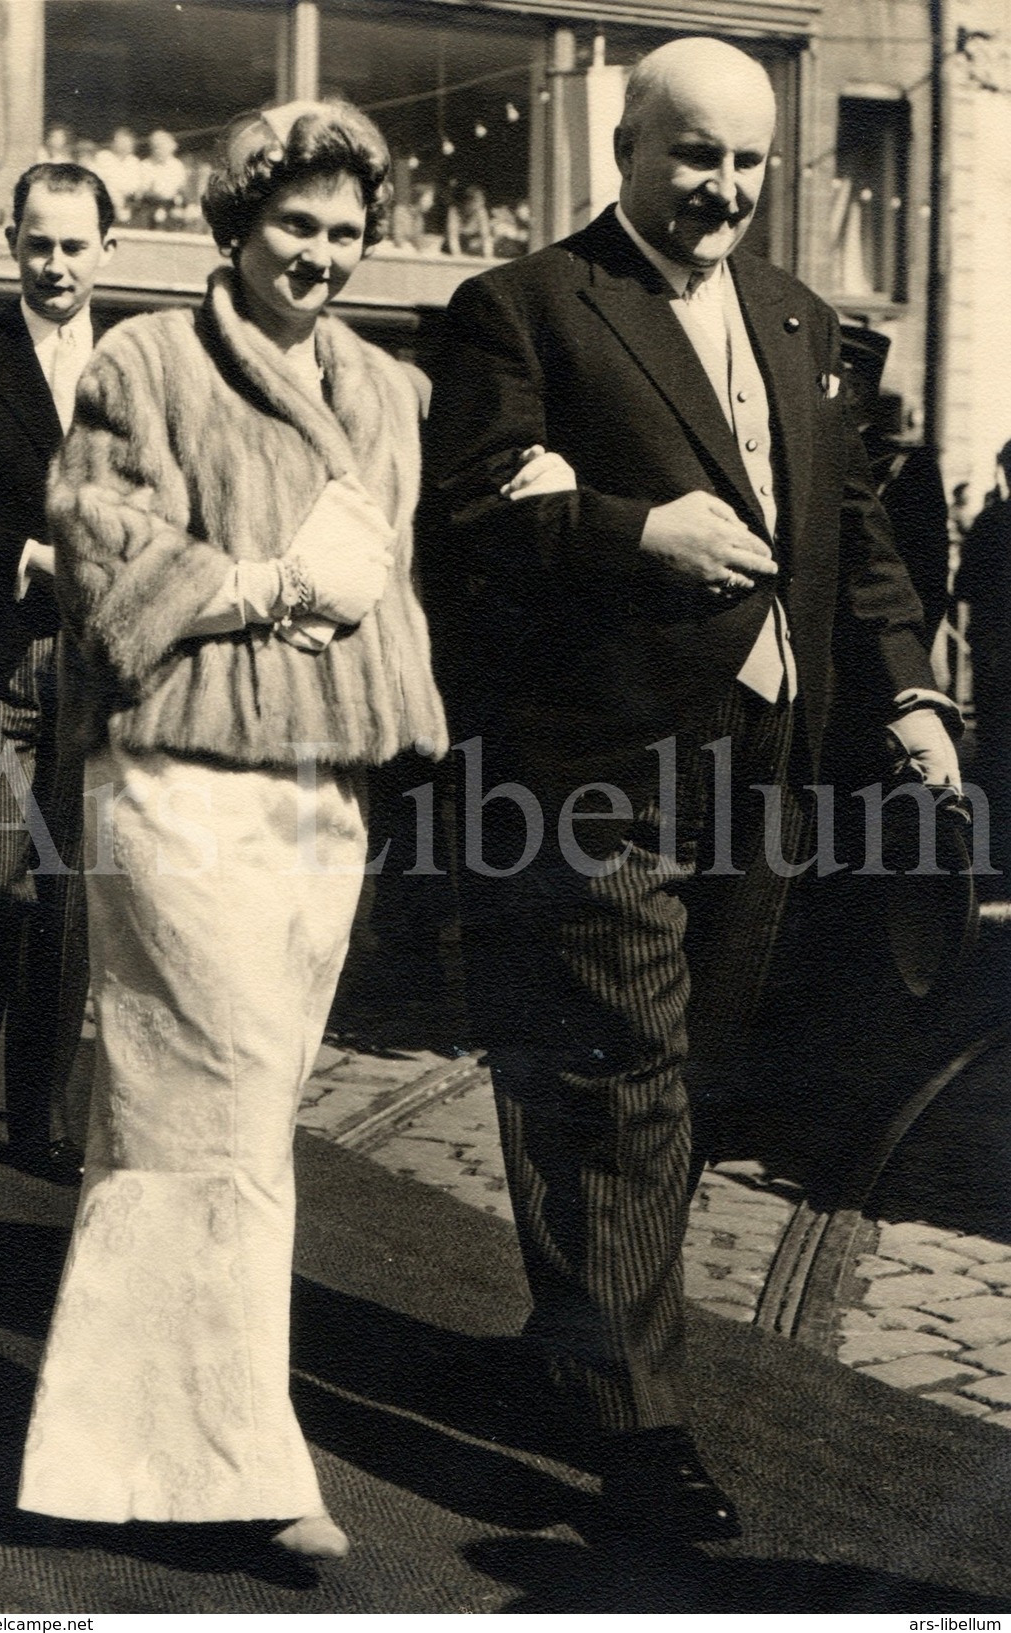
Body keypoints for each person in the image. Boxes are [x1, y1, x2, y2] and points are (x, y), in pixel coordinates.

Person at [420, 36, 961, 1548]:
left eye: (747, 160)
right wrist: (630, 532)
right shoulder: (521, 307)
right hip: (594, 780)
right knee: (621, 1082)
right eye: (694, 155)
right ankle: (635, 1431)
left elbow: (846, 531)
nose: (722, 187)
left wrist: (913, 693)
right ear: (627, 150)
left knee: (671, 1085)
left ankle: (577, 1347)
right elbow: (464, 517)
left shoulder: (795, 316)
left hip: (769, 780)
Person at [16, 98, 447, 1563]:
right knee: (212, 1114)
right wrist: (267, 587)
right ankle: (244, 1468)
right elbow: (98, 551)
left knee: (226, 1120)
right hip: (177, 782)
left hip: (324, 792)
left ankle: (114, 1453)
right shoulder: (143, 360)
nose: (319, 254)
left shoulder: (391, 391)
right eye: (294, 225)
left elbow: (394, 583)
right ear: (236, 224)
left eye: (345, 231)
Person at [0, 162, 118, 1180]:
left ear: (107, 250)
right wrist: (12, 544)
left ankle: (41, 1118)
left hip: (98, 664)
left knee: (67, 903)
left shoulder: (137, 364)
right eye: (38, 243)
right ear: (11, 242)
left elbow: (159, 515)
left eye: (74, 244)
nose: (55, 264)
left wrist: (9, 531)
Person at [839, 322, 951, 648]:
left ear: (853, 391)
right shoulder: (803, 455)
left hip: (871, 651)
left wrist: (908, 656)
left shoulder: (906, 466)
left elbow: (928, 573)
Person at [955, 441, 1011, 886]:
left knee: (996, 745)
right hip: (996, 647)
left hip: (996, 650)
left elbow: (965, 585)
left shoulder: (992, 522)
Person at [93, 126, 144, 222]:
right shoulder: (103, 157)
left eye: (127, 142)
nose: (124, 145)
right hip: (106, 202)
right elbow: (101, 182)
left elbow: (136, 185)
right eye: (121, 142)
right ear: (113, 143)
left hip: (128, 203)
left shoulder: (134, 161)